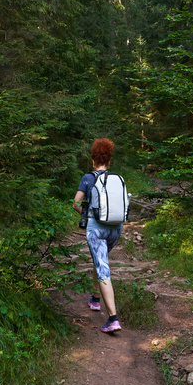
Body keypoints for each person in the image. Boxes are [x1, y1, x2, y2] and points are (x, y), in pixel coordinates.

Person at [73, 137, 122, 333]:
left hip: (97, 229)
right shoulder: (115, 178)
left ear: (93, 160)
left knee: (103, 269)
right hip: (115, 229)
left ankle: (112, 319)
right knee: (99, 259)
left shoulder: (87, 178)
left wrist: (87, 215)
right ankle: (94, 299)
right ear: (109, 161)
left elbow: (76, 202)